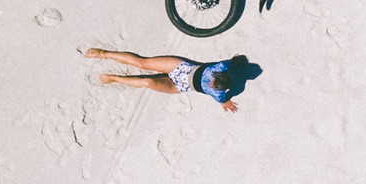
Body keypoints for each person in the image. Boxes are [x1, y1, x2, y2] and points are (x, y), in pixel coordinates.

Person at [87, 48, 259, 111]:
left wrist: (225, 103)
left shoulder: (219, 93)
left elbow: (223, 100)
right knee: (143, 63)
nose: (210, 85)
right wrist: (236, 60)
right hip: (181, 68)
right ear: (217, 75)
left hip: (180, 85)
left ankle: (114, 78)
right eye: (212, 81)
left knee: (148, 82)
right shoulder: (220, 67)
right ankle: (103, 53)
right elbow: (232, 61)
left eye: (213, 87)